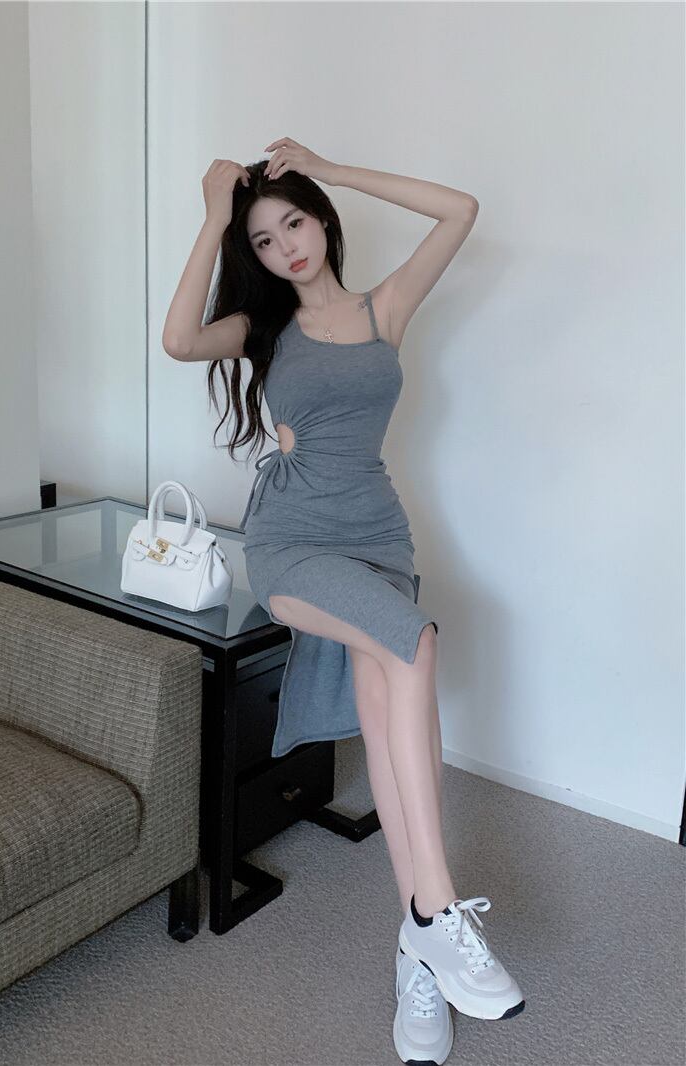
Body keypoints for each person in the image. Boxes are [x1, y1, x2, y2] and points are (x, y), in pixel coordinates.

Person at [162, 137, 525, 1065]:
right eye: (264, 238)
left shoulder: (383, 307)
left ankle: (417, 954)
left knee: (396, 704)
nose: (284, 247)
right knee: (415, 643)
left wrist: (334, 167)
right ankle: (437, 910)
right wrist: (213, 215)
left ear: (322, 222)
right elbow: (178, 340)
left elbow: (460, 209)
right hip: (293, 543)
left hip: (378, 537)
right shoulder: (263, 326)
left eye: (295, 223)